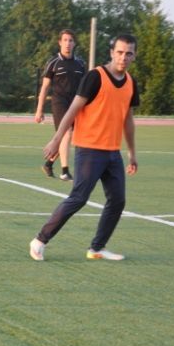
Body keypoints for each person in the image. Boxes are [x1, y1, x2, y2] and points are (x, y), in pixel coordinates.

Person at [28, 34, 140, 263]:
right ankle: (39, 240)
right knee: (79, 198)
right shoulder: (95, 77)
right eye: (119, 52)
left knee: (118, 200)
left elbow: (128, 119)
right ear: (111, 52)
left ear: (134, 56)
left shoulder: (130, 83)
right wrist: (57, 139)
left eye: (129, 53)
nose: (124, 57)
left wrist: (132, 153)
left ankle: (97, 248)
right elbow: (73, 109)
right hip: (89, 149)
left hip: (112, 152)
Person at [35, 29, 87, 181]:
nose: (68, 43)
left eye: (71, 40)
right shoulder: (53, 63)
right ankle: (65, 171)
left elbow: (85, 87)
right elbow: (44, 87)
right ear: (60, 42)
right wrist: (39, 110)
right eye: (65, 40)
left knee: (66, 138)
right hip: (59, 103)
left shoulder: (80, 63)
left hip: (76, 104)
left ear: (74, 43)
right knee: (67, 133)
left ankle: (49, 164)